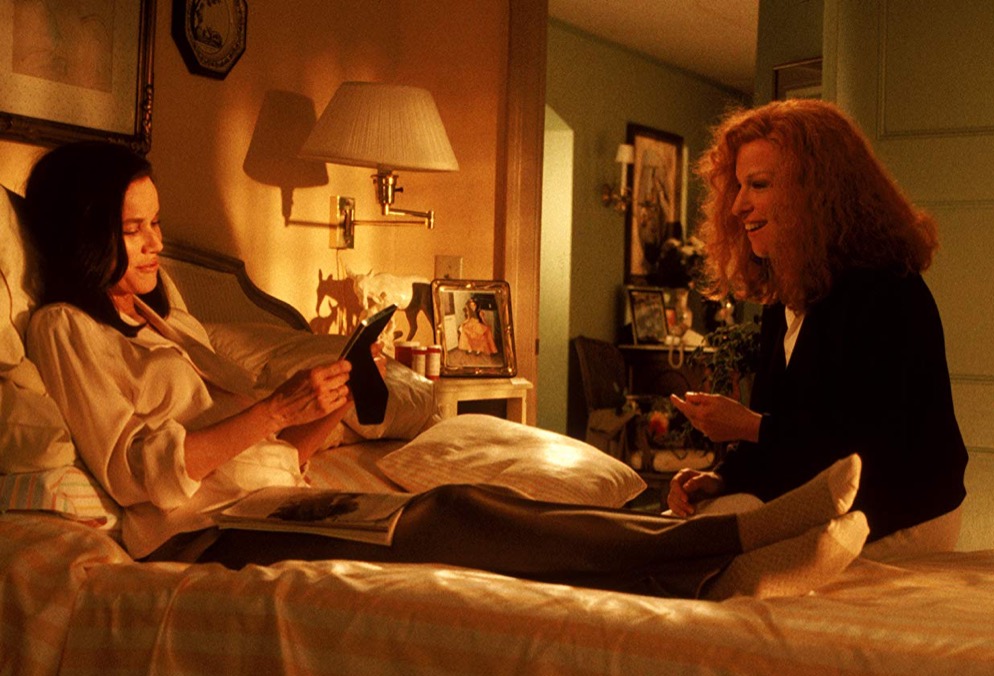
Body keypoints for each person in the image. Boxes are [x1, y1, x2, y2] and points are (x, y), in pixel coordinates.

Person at [22, 140, 870, 600]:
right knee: (452, 514)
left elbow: (280, 453)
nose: (156, 242)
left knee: (476, 503)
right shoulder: (68, 328)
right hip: (207, 536)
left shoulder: (168, 316)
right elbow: (138, 473)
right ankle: (720, 552)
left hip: (276, 496)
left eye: (156, 222)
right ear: (87, 234)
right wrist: (273, 409)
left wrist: (327, 404)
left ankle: (719, 550)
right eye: (134, 229)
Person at [667, 99, 968, 555]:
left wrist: (750, 426)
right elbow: (785, 435)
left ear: (817, 192)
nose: (738, 206)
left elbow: (862, 449)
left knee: (708, 554)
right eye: (738, 186)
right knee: (688, 532)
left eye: (758, 185)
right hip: (828, 500)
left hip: (900, 511)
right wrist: (721, 478)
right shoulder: (788, 289)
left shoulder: (885, 290)